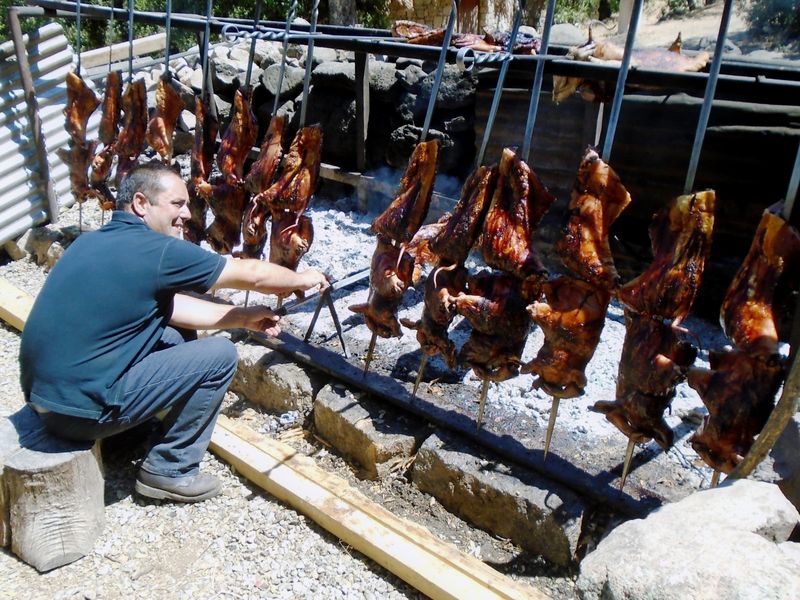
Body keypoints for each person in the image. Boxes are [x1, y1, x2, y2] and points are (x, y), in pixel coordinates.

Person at [19, 162, 328, 503]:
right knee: (220, 356)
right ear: (141, 204)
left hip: (45, 401)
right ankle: (169, 470)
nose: (186, 215)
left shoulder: (91, 242)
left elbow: (173, 309)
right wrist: (302, 278)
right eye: (177, 204)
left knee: (175, 335)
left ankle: (127, 434)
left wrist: (242, 317)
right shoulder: (159, 251)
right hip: (76, 414)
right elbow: (251, 274)